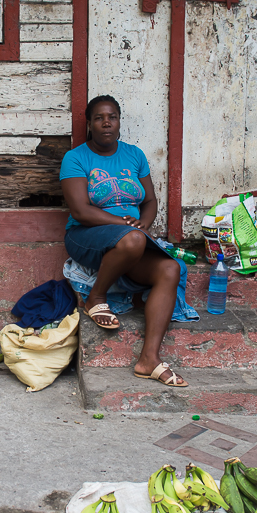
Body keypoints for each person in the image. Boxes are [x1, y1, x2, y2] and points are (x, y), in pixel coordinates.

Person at [59, 95, 187, 387]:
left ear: (119, 121)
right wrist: (128, 226)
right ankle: (96, 298)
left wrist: (143, 224)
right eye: (99, 118)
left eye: (112, 117)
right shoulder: (76, 158)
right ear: (90, 124)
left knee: (171, 269)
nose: (107, 123)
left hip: (131, 238)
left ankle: (149, 359)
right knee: (132, 240)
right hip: (86, 235)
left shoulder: (134, 155)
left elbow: (151, 200)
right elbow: (81, 210)